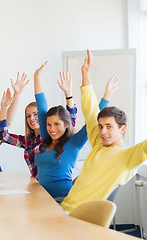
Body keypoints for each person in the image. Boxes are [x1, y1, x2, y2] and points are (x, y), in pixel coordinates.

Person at [61, 50, 147, 212]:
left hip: (78, 216)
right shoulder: (99, 145)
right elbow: (90, 108)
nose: (103, 132)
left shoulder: (128, 156)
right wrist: (85, 73)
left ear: (122, 129)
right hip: (64, 209)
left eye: (109, 127)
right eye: (100, 127)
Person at [0, 67, 78, 178]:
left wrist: (68, 94)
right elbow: (2, 136)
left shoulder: (53, 137)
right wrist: (4, 107)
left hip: (52, 187)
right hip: (36, 186)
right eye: (28, 116)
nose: (32, 118)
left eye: (35, 114)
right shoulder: (28, 141)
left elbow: (70, 120)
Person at [31, 62, 94, 201]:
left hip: (61, 200)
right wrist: (36, 77)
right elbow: (41, 108)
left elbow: (93, 118)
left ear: (66, 124)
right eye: (48, 124)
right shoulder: (47, 138)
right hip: (42, 199)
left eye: (56, 124)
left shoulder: (74, 142)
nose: (52, 129)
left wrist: (105, 96)